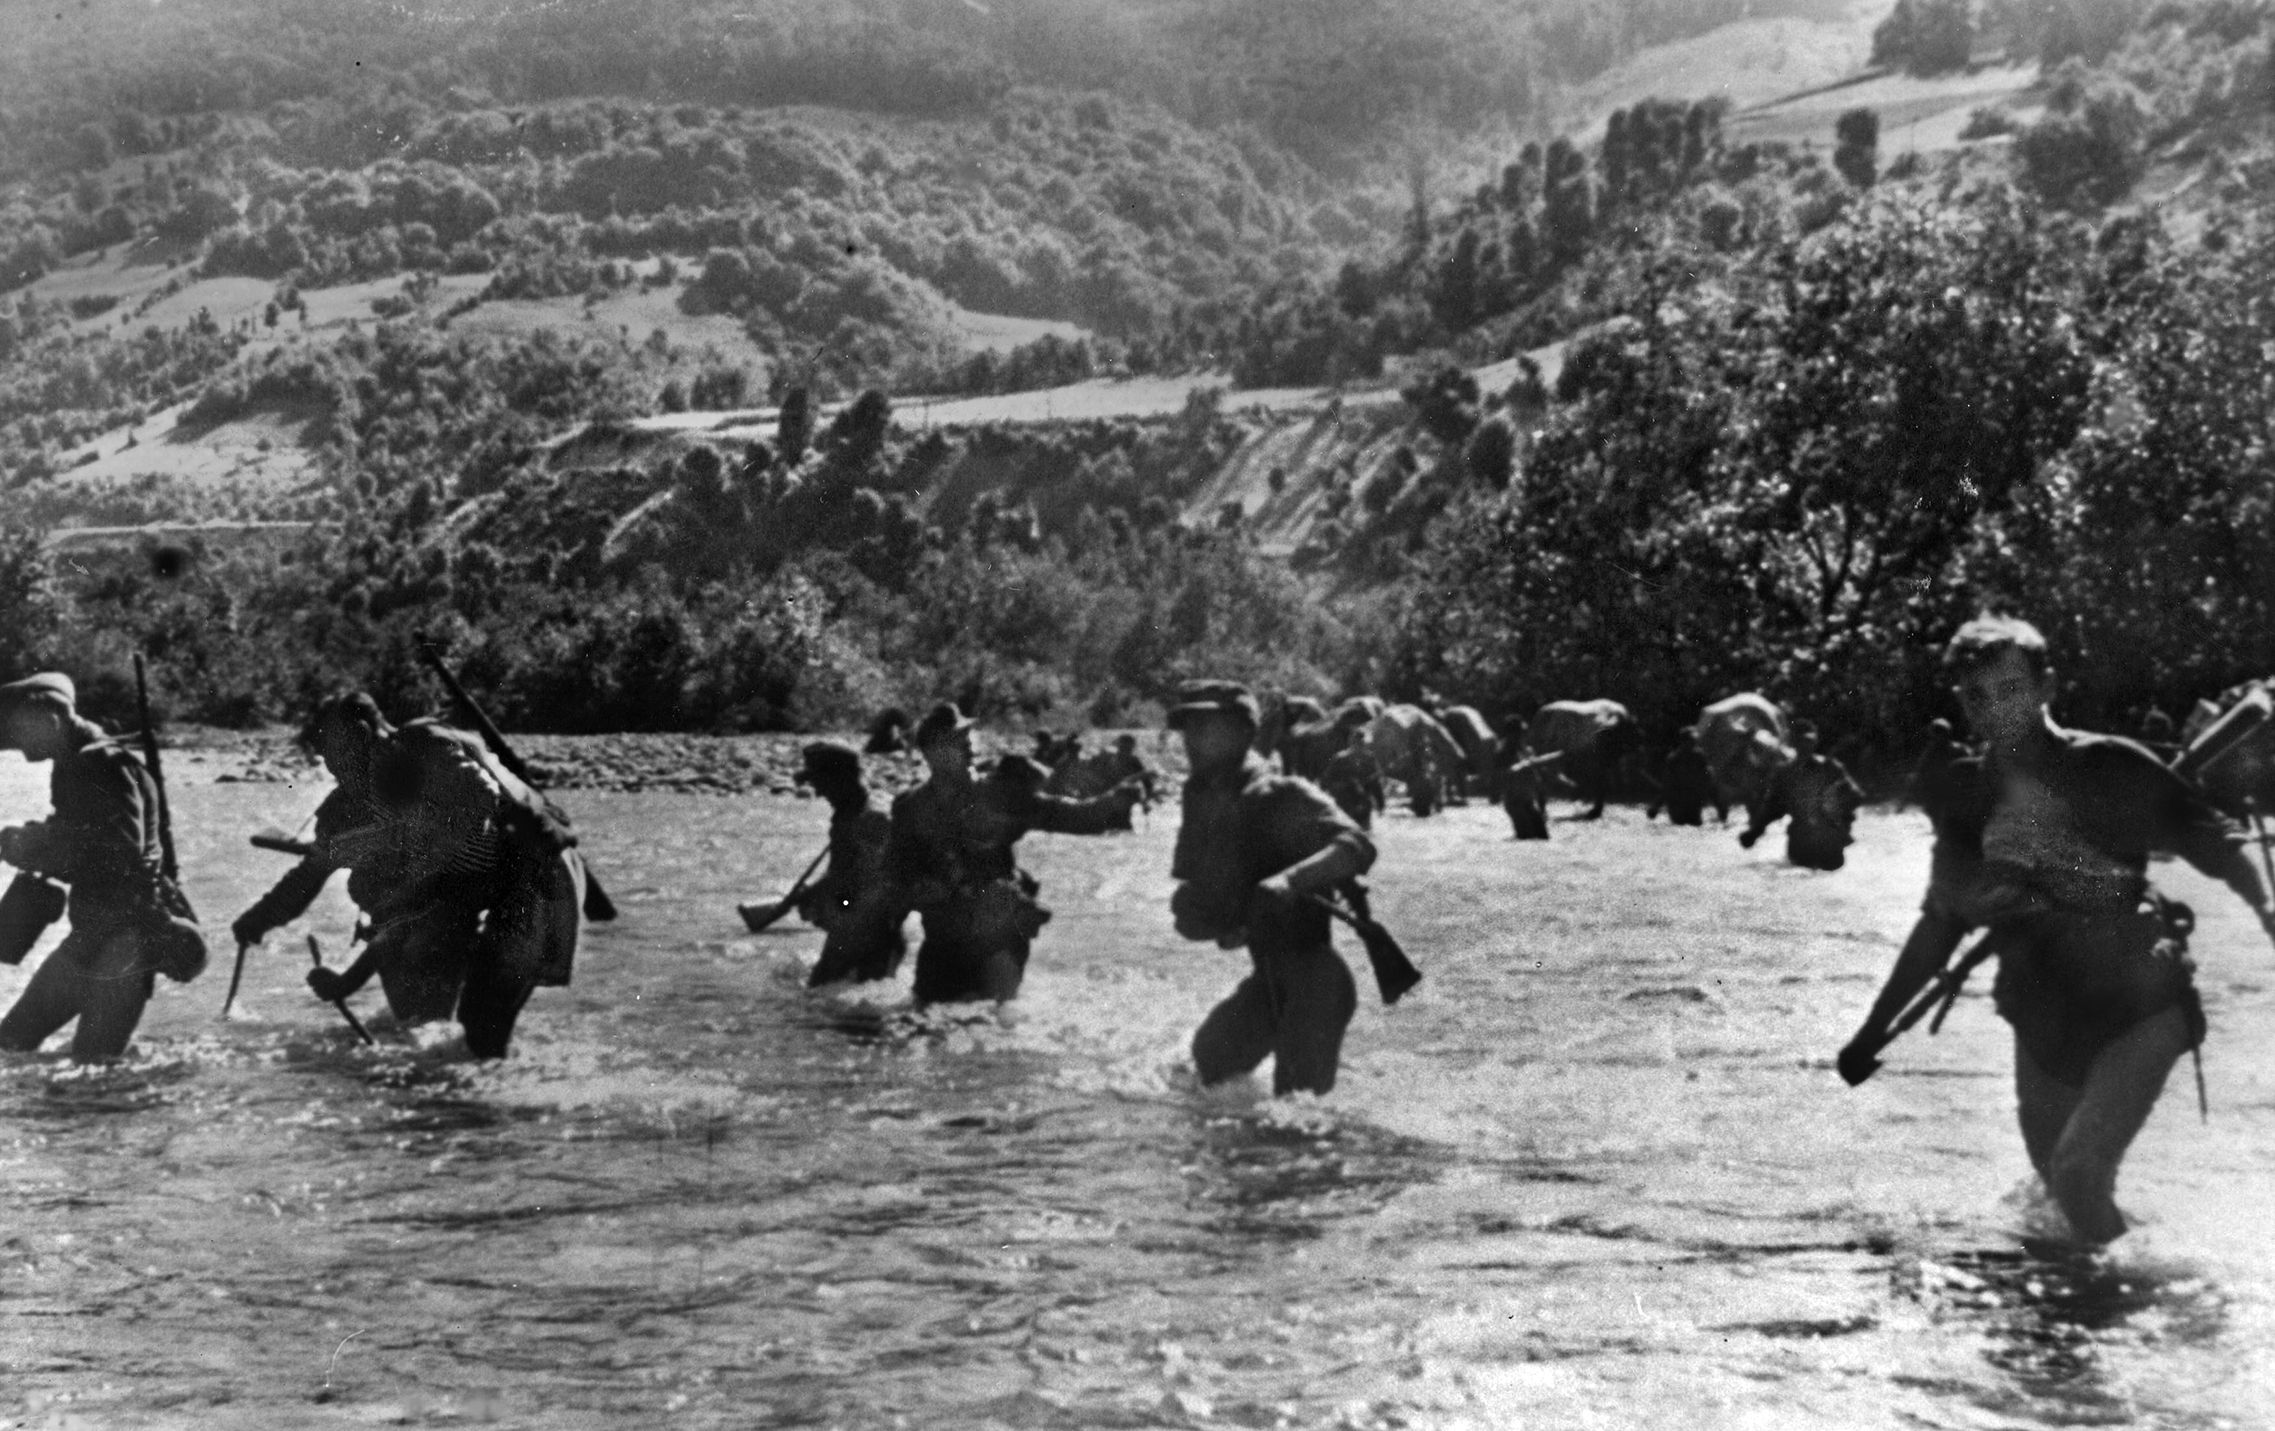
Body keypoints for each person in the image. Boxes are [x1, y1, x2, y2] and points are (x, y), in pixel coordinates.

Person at [1838, 616, 2275, 1244]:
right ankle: (2093, 1313)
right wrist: (1871, 1032)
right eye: (1977, 697)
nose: (1996, 710)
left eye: (2011, 690)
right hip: (2040, 1013)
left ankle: (2158, 1310)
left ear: (2047, 688)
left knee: (2077, 1174)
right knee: (2056, 1197)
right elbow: (1942, 923)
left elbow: (2222, 850)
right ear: (1962, 704)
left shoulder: (2112, 765)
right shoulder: (1967, 797)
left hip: (2141, 1004)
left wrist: (2266, 912)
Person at [232, 693, 585, 1058]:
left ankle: (498, 1103)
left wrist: (404, 846)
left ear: (363, 733)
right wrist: (260, 919)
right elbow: (316, 872)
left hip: (537, 878)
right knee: (458, 1036)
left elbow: (480, 800)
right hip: (468, 897)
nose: (333, 770)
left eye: (336, 755)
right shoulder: (361, 799)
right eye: (326, 761)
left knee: (482, 1028)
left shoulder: (423, 748)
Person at [1168, 680, 1377, 1096]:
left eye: (1207, 728)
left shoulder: (1280, 792)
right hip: (1268, 978)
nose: (1192, 741)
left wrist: (1289, 881)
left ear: (1245, 733)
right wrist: (1204, 916)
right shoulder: (1200, 796)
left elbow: (1358, 845)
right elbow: (1200, 895)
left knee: (1295, 1118)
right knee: (1207, 1064)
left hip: (1315, 983)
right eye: (1188, 729)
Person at [0, 673, 205, 1061]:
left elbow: (120, 858)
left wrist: (30, 846)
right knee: (10, 1041)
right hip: (93, 934)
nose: (18, 749)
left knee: (96, 1069)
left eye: (18, 733)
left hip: (126, 941)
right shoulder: (77, 762)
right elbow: (84, 835)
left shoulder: (101, 765)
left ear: (50, 717)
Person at [884, 703, 1139, 1005]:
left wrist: (1113, 802)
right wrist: (917, 892)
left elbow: (1068, 816)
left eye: (969, 738)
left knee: (996, 1021)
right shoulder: (910, 808)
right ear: (931, 752)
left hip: (999, 939)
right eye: (957, 741)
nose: (969, 747)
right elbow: (894, 877)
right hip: (942, 938)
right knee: (926, 1020)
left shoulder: (1000, 794)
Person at [789, 740, 906, 987]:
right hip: (852, 928)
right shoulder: (848, 812)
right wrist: (816, 894)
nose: (818, 793)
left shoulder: (872, 818)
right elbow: (845, 871)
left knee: (830, 1000)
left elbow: (870, 883)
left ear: (842, 778)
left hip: (871, 935)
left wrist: (815, 893)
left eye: (821, 783)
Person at [1737, 722, 1864, 870]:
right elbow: (1771, 809)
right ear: (1793, 743)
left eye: (1808, 741)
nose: (1805, 746)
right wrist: (1753, 833)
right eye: (1800, 741)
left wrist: (1835, 802)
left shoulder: (1831, 767)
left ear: (1815, 742)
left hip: (1829, 840)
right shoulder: (1784, 774)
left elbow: (1856, 796)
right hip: (1802, 842)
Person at [1648, 728, 1716, 827]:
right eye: (1689, 741)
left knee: (1696, 824)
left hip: (1694, 801)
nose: (1692, 743)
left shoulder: (1700, 757)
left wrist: (1719, 806)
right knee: (1680, 823)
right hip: (1677, 803)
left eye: (1693, 741)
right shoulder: (1674, 759)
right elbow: (1667, 786)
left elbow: (1709, 781)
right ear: (1682, 741)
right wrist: (1656, 806)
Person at [1320, 740, 1387, 832]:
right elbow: (1375, 783)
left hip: (1346, 800)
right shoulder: (1368, 757)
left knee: (1344, 830)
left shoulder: (1340, 756)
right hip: (1358, 800)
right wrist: (1381, 804)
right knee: (1362, 831)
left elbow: (1326, 779)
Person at [1500, 746, 1561, 841]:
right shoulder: (1522, 766)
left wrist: (1543, 809)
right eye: (1528, 754)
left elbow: (1540, 791)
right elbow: (1541, 760)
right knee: (1525, 832)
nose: (1532, 756)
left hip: (1525, 802)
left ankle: (1528, 834)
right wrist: (1560, 753)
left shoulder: (1532, 769)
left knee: (1540, 832)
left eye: (1532, 754)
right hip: (1515, 802)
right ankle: (1524, 834)